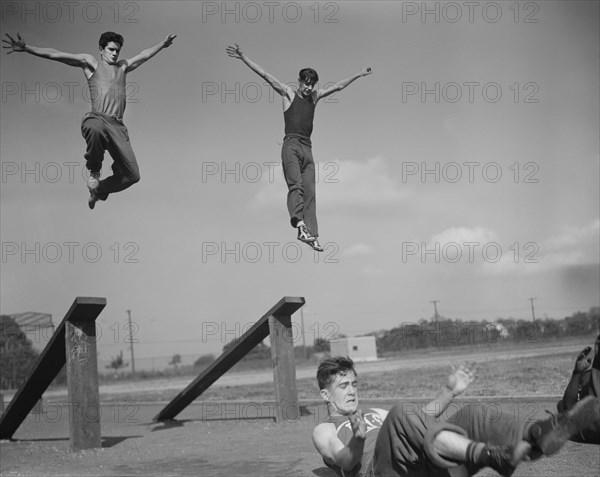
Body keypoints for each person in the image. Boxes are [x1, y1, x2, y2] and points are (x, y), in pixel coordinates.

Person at [313, 356, 600, 477]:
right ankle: (490, 455)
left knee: (471, 414)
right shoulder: (324, 430)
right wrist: (359, 439)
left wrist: (449, 392)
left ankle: (538, 433)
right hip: (380, 473)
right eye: (343, 386)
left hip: (419, 466)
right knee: (400, 412)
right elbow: (345, 462)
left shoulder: (373, 412)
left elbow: (417, 424)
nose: (351, 391)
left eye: (354, 383)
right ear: (326, 395)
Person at [3, 32, 176, 209]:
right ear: (101, 50)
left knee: (133, 175)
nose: (115, 54)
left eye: (117, 50)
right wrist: (27, 48)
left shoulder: (122, 67)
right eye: (111, 50)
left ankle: (99, 190)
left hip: (118, 128)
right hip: (98, 119)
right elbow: (56, 54)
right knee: (95, 127)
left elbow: (143, 55)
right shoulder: (91, 63)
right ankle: (94, 170)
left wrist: (162, 44)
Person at [226, 43, 372, 252]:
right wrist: (243, 57)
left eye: (312, 84)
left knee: (311, 192)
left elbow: (338, 86)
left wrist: (358, 74)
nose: (309, 88)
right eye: (306, 84)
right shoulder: (288, 94)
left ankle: (311, 233)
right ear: (300, 81)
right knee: (296, 186)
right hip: (291, 146)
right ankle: (300, 225)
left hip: (308, 149)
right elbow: (265, 75)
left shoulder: (315, 97)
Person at [556, 333, 600, 444]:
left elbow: (567, 407)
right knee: (561, 406)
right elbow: (567, 405)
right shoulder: (587, 376)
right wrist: (577, 373)